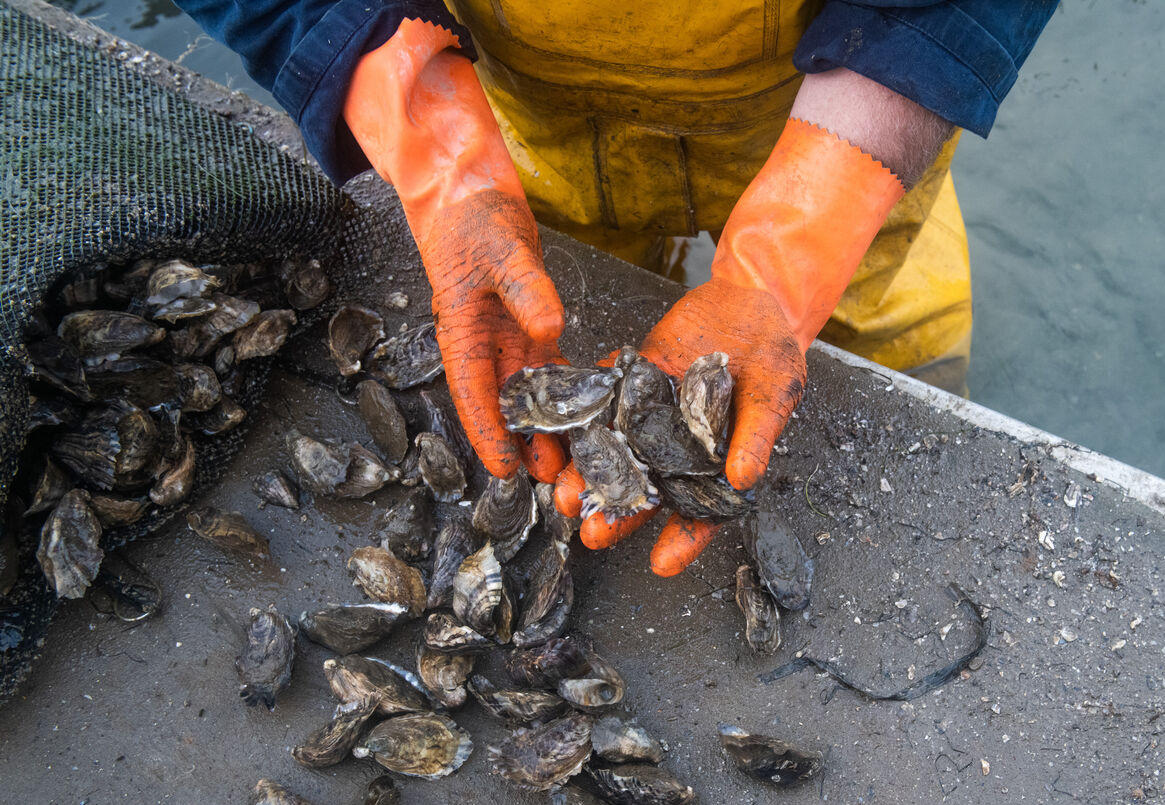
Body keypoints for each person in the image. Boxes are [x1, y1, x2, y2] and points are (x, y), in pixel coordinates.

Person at [177, 0, 1058, 574]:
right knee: (555, 318)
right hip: (527, 112)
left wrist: (797, 247)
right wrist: (435, 140)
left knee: (887, 384)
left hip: (840, 114)